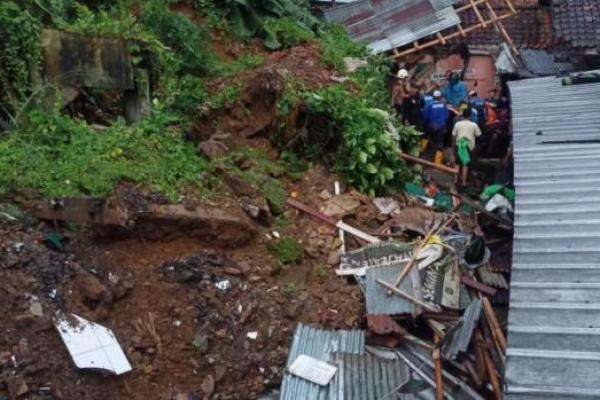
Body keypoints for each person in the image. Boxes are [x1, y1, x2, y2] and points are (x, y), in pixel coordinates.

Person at [452, 108, 482, 186]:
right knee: (465, 165)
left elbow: (453, 136)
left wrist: (454, 145)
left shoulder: (458, 124)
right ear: (470, 116)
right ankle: (464, 183)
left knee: (457, 164)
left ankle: (455, 180)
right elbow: (479, 135)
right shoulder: (473, 125)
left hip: (459, 146)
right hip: (469, 147)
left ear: (463, 115)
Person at [423, 90, 449, 165]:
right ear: (440, 97)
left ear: (433, 97)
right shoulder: (443, 105)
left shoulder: (429, 105)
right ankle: (437, 163)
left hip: (431, 126)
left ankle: (420, 153)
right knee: (440, 143)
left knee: (425, 137)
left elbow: (426, 117)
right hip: (441, 126)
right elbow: (446, 116)